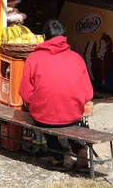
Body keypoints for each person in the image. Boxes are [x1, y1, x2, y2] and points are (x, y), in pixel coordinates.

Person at [19, 19, 94, 170]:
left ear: (44, 37)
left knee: (45, 117)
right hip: (72, 114)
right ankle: (80, 150)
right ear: (65, 38)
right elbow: (89, 92)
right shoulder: (76, 58)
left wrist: (36, 101)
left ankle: (58, 158)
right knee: (70, 120)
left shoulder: (33, 58)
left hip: (43, 115)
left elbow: (25, 94)